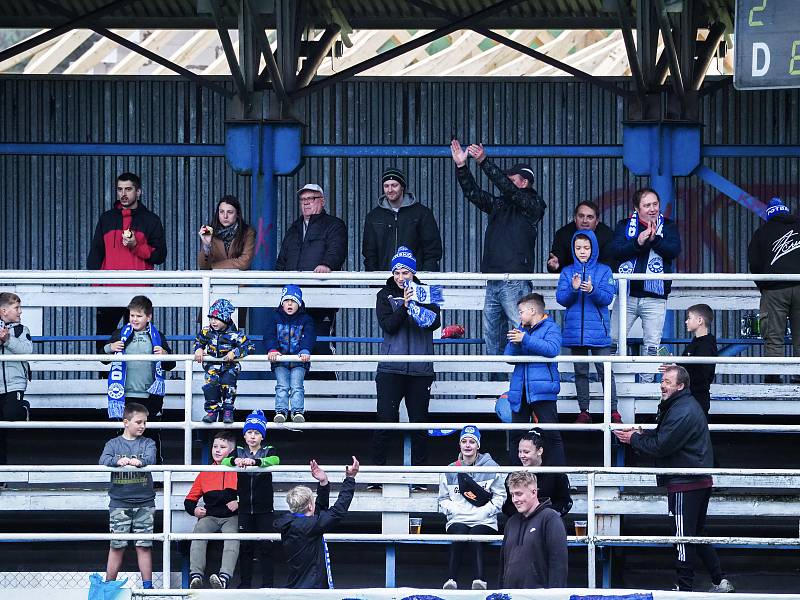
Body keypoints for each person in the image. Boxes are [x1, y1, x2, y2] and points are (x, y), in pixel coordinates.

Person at [614, 365, 734, 593]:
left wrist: (634, 439)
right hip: (696, 479)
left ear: (680, 386)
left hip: (685, 482)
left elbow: (661, 445)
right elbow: (665, 437)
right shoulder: (682, 405)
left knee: (682, 537)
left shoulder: (681, 410)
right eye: (662, 380)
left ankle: (684, 589)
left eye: (668, 381)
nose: (662, 384)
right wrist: (639, 434)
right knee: (696, 534)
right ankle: (720, 581)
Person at [451, 140, 546, 372]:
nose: (507, 185)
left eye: (512, 180)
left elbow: (508, 190)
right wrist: (462, 167)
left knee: (520, 330)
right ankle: (495, 388)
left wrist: (484, 162)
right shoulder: (501, 205)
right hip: (493, 279)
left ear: (524, 182)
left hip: (515, 279)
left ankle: (526, 381)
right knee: (492, 335)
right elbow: (473, 194)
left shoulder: (533, 204)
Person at [371, 247, 441, 485]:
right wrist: (404, 306)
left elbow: (434, 323)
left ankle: (420, 476)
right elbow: (388, 326)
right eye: (397, 272)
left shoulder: (429, 292)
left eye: (406, 272)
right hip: (391, 369)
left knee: (420, 423)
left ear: (413, 273)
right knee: (385, 421)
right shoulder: (384, 294)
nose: (401, 277)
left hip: (421, 370)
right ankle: (377, 475)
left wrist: (417, 304)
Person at [88, 172, 167, 354]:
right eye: (120, 189)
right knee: (104, 341)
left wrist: (136, 246)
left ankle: (139, 379)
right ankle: (103, 379)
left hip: (139, 292)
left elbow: (160, 255)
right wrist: (96, 286)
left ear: (138, 192)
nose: (123, 193)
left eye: (128, 189)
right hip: (109, 290)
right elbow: (95, 255)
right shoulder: (106, 219)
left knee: (139, 341)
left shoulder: (151, 220)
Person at [275, 184, 347, 376]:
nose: (306, 203)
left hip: (321, 300)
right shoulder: (294, 228)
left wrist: (327, 264)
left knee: (320, 346)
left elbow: (337, 250)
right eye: (303, 200)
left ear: (322, 201)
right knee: (293, 349)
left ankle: (326, 399)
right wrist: (279, 280)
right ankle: (298, 401)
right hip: (295, 300)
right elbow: (282, 259)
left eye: (311, 199)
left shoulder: (334, 224)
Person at [611, 188, 681, 383]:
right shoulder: (624, 226)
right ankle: (616, 385)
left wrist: (655, 240)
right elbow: (615, 251)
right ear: (636, 208)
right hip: (627, 295)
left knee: (652, 345)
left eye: (655, 204)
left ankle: (645, 388)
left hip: (656, 297)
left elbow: (674, 250)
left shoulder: (668, 226)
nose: (652, 209)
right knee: (614, 341)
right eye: (647, 205)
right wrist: (638, 242)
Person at [556, 231, 619, 424]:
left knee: (605, 371)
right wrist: (574, 290)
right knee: (580, 372)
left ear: (593, 248)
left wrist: (592, 290)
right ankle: (584, 411)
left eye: (586, 247)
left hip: (599, 332)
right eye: (578, 248)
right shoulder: (567, 272)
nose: (582, 252)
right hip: (576, 333)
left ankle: (614, 412)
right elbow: (562, 299)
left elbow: (607, 298)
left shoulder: (604, 271)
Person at [104, 295, 175, 464]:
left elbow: (170, 365)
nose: (134, 319)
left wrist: (165, 355)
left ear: (148, 317)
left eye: (139, 316)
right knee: (123, 434)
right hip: (123, 394)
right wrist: (110, 348)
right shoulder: (119, 334)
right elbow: (103, 358)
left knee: (151, 434)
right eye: (132, 315)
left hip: (150, 395)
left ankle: (155, 473)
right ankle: (121, 469)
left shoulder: (158, 336)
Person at [274, 456, 360, 589]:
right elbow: (337, 512)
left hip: (299, 584)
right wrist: (350, 479)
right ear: (309, 506)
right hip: (311, 588)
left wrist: (324, 483)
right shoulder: (308, 526)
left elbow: (318, 511)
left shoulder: (292, 522)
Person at [438, 425, 506, 591]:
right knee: (459, 534)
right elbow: (442, 499)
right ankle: (451, 581)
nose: (468, 445)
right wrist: (455, 511)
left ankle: (479, 582)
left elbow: (500, 496)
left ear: (478, 445)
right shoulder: (450, 469)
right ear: (459, 444)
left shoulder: (492, 467)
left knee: (475, 535)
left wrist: (485, 511)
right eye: (464, 441)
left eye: (472, 441)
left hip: (485, 520)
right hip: (458, 518)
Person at [99, 402, 157, 590]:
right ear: (126, 422)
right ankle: (108, 587)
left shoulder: (149, 443)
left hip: (145, 502)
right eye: (138, 422)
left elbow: (150, 459)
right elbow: (103, 459)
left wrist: (138, 462)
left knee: (144, 546)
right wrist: (118, 461)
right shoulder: (113, 444)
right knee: (117, 545)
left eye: (145, 423)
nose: (142, 426)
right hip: (119, 503)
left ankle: (147, 587)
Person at [221, 410, 280, 589]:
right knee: (246, 547)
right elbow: (224, 462)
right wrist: (235, 462)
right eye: (249, 432)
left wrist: (257, 463)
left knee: (266, 548)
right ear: (244, 435)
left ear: (262, 436)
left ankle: (267, 585)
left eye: (257, 433)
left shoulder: (269, 450)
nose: (253, 436)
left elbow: (275, 460)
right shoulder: (239, 451)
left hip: (264, 508)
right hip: (245, 507)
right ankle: (245, 583)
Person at [504, 293, 564, 467]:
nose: (520, 316)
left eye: (521, 311)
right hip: (520, 390)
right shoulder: (521, 328)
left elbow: (552, 349)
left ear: (532, 310)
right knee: (515, 435)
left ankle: (559, 477)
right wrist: (516, 343)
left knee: (552, 435)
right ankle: (516, 477)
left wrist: (526, 339)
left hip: (542, 390)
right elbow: (508, 357)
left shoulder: (551, 327)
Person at [747, 197, 800, 384]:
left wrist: (764, 286)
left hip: (775, 290)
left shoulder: (762, 232)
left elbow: (754, 263)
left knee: (773, 336)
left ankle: (774, 379)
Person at [185, 430, 239, 590]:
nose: (217, 450)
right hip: (210, 516)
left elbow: (250, 493)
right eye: (215, 446)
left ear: (231, 451)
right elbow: (189, 500)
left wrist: (238, 502)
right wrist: (194, 511)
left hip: (232, 517)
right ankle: (196, 576)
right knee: (199, 531)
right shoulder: (205, 472)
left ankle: (224, 578)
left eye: (222, 447)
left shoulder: (238, 469)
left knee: (233, 539)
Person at [362, 168, 442, 272]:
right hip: (383, 280)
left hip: (415, 279)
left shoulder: (422, 213)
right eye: (386, 186)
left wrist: (424, 278)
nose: (390, 190)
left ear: (403, 186)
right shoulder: (374, 216)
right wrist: (374, 280)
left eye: (394, 185)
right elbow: (369, 254)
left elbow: (432, 250)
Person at [499, 471, 568, 588]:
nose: (515, 499)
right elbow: (503, 565)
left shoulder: (551, 519)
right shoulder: (511, 522)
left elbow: (558, 565)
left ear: (533, 492)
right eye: (512, 495)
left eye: (519, 494)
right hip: (511, 594)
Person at [194, 298, 255, 424]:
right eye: (211, 318)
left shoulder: (235, 334)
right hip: (212, 367)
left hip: (229, 367)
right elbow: (198, 341)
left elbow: (250, 346)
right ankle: (212, 411)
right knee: (210, 386)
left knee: (228, 387)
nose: (213, 321)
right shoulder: (207, 331)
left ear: (226, 319)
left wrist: (235, 352)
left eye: (217, 318)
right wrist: (198, 349)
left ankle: (228, 410)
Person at [199, 196, 257, 326]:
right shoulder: (209, 231)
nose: (225, 216)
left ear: (237, 214)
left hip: (237, 287)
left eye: (229, 212)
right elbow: (203, 266)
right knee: (209, 330)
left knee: (233, 330)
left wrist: (214, 266)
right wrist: (206, 246)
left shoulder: (248, 232)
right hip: (214, 287)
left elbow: (244, 262)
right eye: (221, 212)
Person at [265, 285, 316, 423]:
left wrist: (305, 350)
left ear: (298, 303)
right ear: (282, 303)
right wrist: (272, 349)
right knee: (282, 386)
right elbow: (269, 335)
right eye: (286, 301)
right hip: (280, 361)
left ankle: (297, 411)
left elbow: (309, 336)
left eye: (293, 301)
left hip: (299, 361)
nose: (289, 304)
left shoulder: (306, 319)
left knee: (297, 386)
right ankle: (281, 411)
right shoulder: (275, 318)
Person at [502, 429, 572, 519]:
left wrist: (548, 515)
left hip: (548, 521)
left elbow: (565, 502)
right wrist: (523, 515)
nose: (521, 455)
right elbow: (507, 506)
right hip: (521, 522)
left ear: (539, 451)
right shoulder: (514, 473)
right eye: (520, 451)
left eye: (526, 452)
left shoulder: (555, 472)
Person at [0, 292, 32, 473]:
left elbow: (26, 351)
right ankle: (1, 477)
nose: (20, 312)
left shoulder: (21, 330)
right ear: (4, 311)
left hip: (15, 384)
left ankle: (22, 406)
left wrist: (7, 340)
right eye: (16, 308)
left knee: (12, 414)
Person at [547, 200, 616, 273]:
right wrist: (554, 265)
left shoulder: (607, 234)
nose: (585, 220)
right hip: (570, 279)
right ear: (575, 218)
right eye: (581, 216)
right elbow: (557, 259)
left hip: (598, 279)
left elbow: (610, 262)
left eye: (590, 217)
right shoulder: (562, 234)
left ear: (597, 221)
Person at [673, 304, 718, 416]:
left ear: (699, 320)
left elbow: (701, 376)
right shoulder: (697, 343)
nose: (686, 322)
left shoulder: (705, 346)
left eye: (689, 318)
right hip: (690, 399)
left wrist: (677, 370)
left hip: (696, 400)